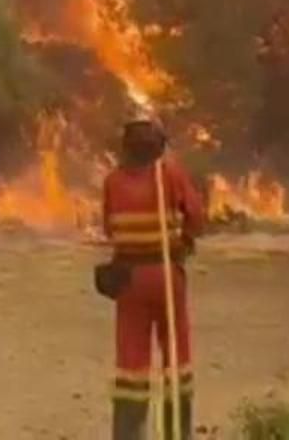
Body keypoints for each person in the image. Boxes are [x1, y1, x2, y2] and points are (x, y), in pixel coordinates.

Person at [101, 108, 206, 440]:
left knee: (131, 362)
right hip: (167, 274)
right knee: (177, 356)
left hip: (129, 279)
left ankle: (129, 433)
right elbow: (197, 217)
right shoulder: (169, 175)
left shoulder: (112, 181)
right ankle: (177, 432)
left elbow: (109, 229)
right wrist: (185, 240)